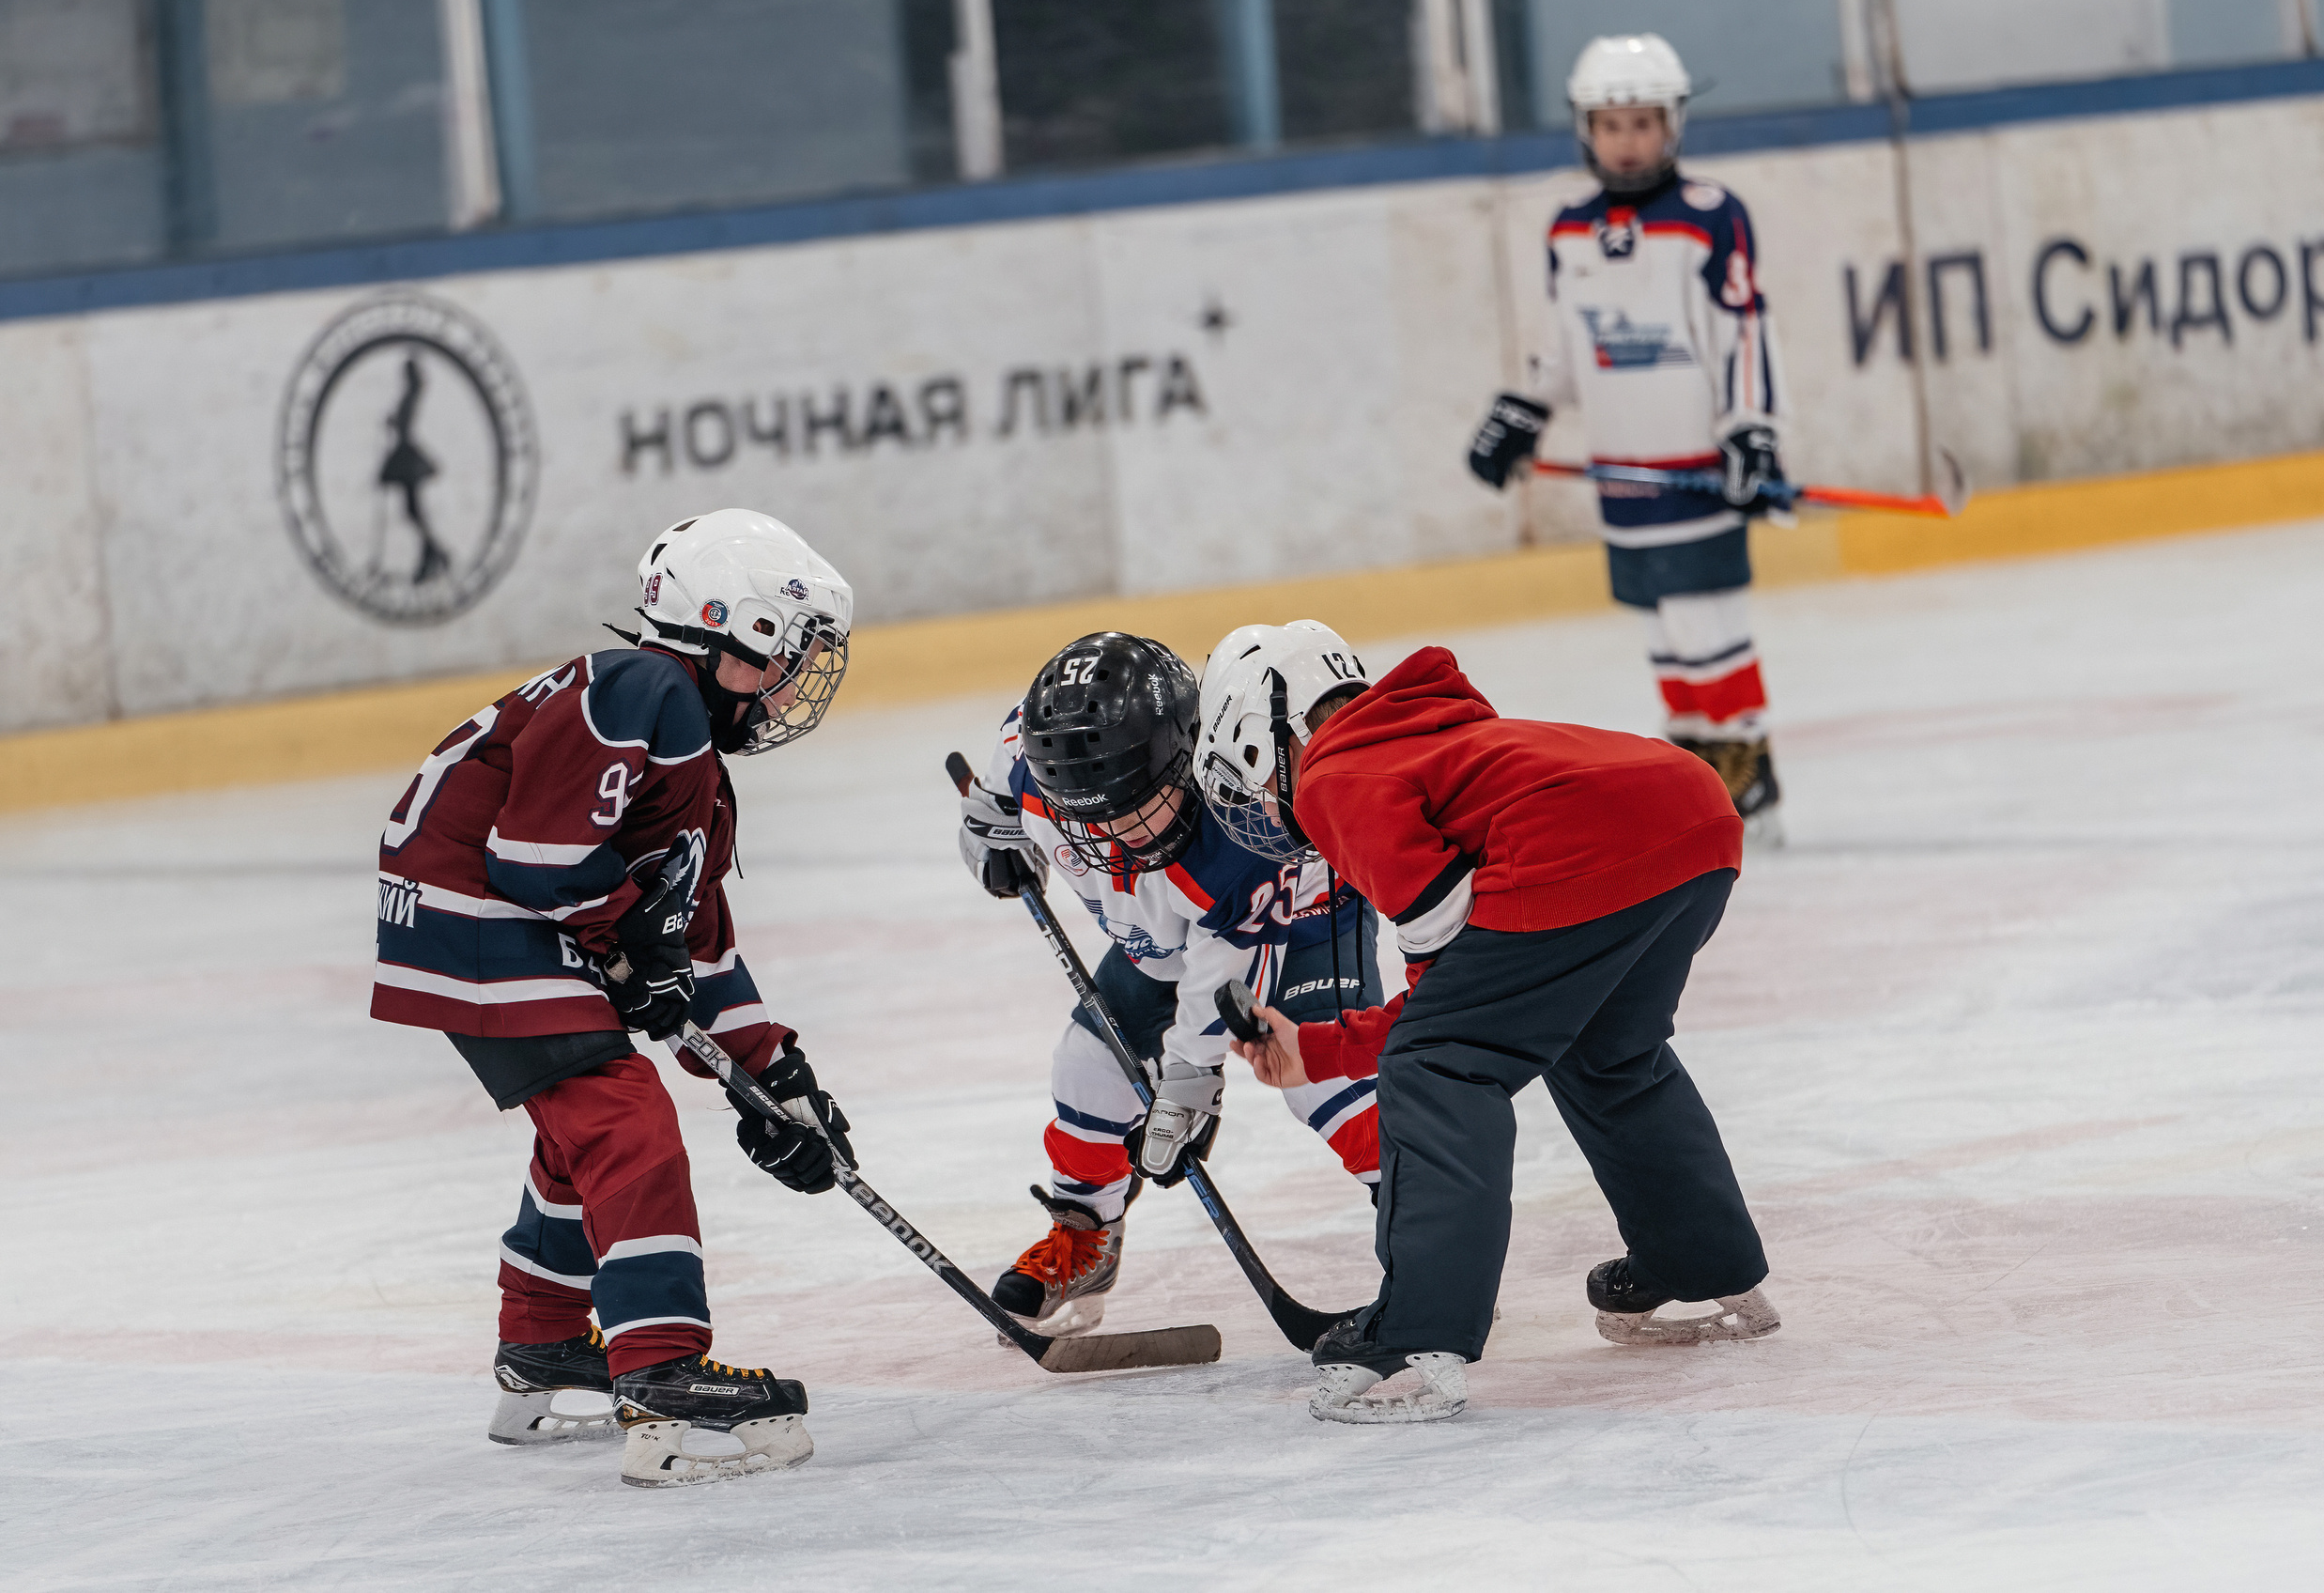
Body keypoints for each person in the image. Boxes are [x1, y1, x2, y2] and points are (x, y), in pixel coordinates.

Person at [370, 507, 858, 1486]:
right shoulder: (645, 689)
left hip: (483, 912)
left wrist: (776, 1076)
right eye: (785, 655)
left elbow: (696, 940)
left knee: (580, 1122)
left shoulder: (693, 763)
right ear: (727, 629)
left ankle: (545, 1340)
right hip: (480, 911)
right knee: (624, 1119)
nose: (794, 682)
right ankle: (662, 1366)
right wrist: (631, 938)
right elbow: (533, 857)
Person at [1200, 621, 1778, 1425]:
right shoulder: (1420, 734)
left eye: (1251, 779)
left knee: (1436, 1071)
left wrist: (1359, 1045)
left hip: (1585, 854)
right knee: (1609, 1051)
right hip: (1694, 816)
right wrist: (1325, 1049)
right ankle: (1702, 1257)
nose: (1263, 803)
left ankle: (1419, 1328)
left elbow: (1445, 1000)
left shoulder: (1333, 771)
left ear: (1268, 739)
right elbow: (1472, 987)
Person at [956, 629, 1385, 1338]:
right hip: (1169, 944)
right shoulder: (1033, 754)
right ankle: (1086, 1235)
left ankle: (1436, 1253)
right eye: (1088, 817)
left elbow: (1220, 974)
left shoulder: (1233, 829)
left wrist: (1189, 1083)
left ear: (1187, 757)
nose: (1114, 837)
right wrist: (988, 836)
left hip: (1303, 920)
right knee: (1089, 1068)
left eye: (1132, 807)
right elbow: (990, 804)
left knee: (1327, 1080)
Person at [1467, 32, 1791, 845]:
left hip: (1694, 470)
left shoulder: (1710, 218)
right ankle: (1693, 761)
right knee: (1660, 626)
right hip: (1625, 477)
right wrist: (1522, 410)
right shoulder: (1568, 230)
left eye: (1645, 122)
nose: (1629, 140)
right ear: (1586, 130)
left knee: (1706, 623)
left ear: (1674, 123)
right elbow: (1564, 352)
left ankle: (1746, 757)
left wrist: (1751, 432)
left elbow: (1743, 333)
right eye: (1612, 125)